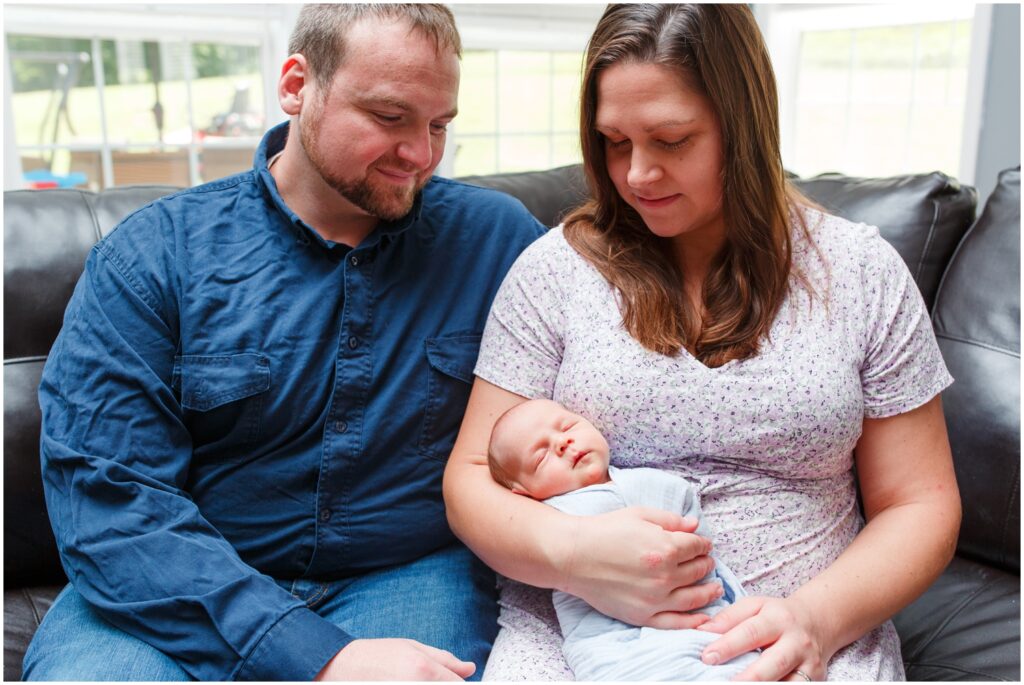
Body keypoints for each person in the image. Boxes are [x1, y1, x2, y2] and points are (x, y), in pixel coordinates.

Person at [25, 4, 545, 682]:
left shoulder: (497, 242)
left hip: (405, 572)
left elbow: (619, 380)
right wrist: (318, 655)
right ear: (298, 85)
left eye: (439, 124)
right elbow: (109, 498)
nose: (421, 153)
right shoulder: (153, 256)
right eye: (390, 117)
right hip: (178, 586)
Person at [443, 4, 961, 681]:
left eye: (671, 139)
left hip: (801, 637)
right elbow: (471, 479)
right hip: (583, 645)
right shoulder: (554, 271)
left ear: (741, 125)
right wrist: (574, 552)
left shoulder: (859, 271)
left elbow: (920, 503)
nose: (637, 176)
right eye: (615, 141)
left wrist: (814, 619)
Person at [487, 398, 758, 680]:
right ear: (521, 491)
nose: (563, 443)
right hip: (610, 643)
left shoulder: (651, 482)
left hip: (697, 620)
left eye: (568, 426)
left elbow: (694, 526)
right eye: (540, 456)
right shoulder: (547, 518)